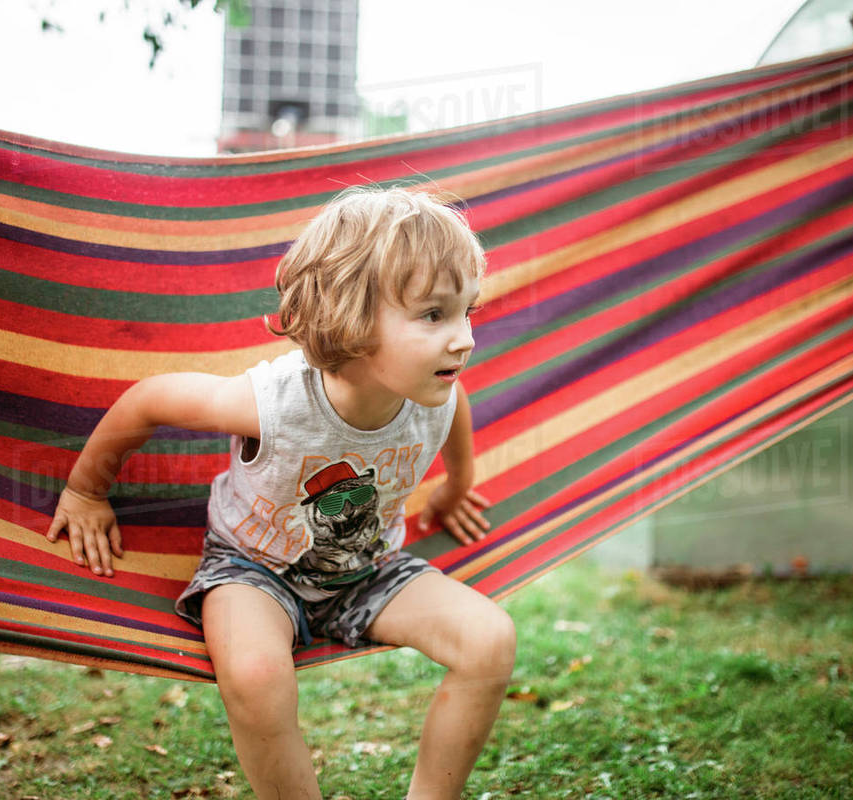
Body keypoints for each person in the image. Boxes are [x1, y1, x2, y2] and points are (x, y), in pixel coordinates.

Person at [43, 187, 517, 800]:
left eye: (467, 311)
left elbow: (455, 413)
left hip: (368, 570)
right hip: (252, 571)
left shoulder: (437, 388)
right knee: (257, 674)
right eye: (434, 315)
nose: (464, 338)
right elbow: (151, 398)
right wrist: (86, 490)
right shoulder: (274, 403)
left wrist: (458, 487)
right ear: (352, 317)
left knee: (491, 639)